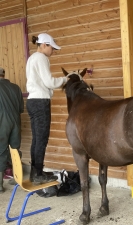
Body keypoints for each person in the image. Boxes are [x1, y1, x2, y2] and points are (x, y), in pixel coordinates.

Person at [26, 33, 67, 185]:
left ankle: (34, 173)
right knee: (42, 139)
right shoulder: (41, 58)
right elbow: (49, 82)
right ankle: (38, 174)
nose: (53, 51)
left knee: (36, 139)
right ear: (44, 45)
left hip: (31, 101)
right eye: (52, 48)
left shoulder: (31, 58)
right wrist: (65, 79)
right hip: (40, 101)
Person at [0, 67, 24, 193]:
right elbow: (21, 108)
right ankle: (17, 178)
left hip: (2, 121)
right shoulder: (16, 88)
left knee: (1, 150)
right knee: (15, 149)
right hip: (16, 120)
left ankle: (0, 185)